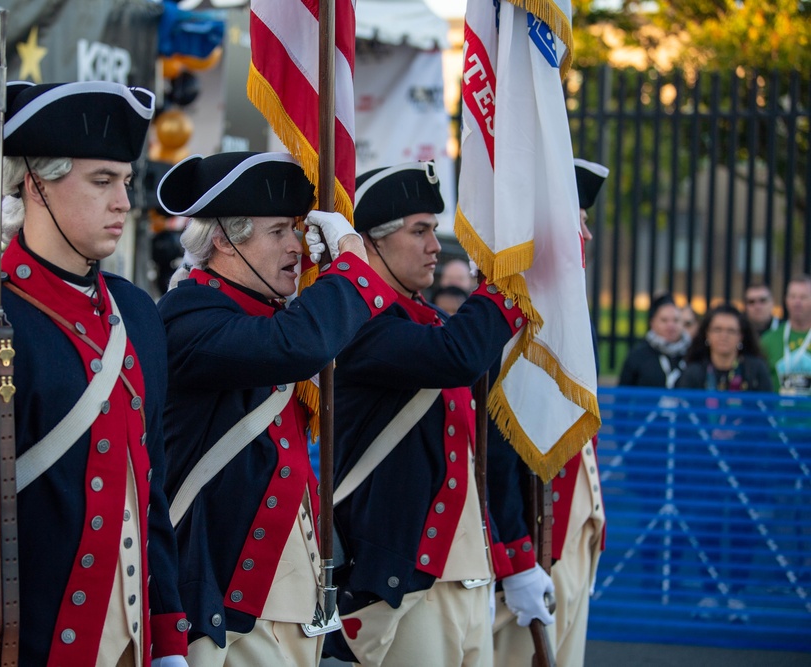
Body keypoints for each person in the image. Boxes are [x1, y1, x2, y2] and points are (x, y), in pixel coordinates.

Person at [0, 80, 189, 666]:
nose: (122, 204)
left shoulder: (135, 314)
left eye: (126, 182)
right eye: (102, 181)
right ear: (35, 184)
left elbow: (147, 490)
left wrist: (167, 641)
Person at [156, 151, 396, 667]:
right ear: (223, 239)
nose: (297, 248)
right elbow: (298, 343)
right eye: (277, 232)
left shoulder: (258, 313)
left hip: (284, 597)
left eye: (296, 228)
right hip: (222, 602)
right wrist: (351, 260)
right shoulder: (188, 315)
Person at [325, 161, 528, 667]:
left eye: (433, 230)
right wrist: (510, 278)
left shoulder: (429, 319)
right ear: (371, 243)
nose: (435, 245)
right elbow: (456, 356)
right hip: (406, 580)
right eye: (419, 231)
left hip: (466, 570)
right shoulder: (360, 325)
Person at [490, 157, 609, 667]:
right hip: (538, 540)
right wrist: (517, 556)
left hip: (573, 532)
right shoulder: (522, 325)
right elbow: (498, 454)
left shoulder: (568, 316)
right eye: (575, 221)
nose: (585, 234)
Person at [676, 304, 771, 392]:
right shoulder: (693, 372)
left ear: (741, 336)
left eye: (731, 331)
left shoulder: (755, 369)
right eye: (717, 329)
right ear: (707, 334)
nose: (724, 336)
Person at [618, 293, 690, 389]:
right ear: (652, 323)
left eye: (676, 320)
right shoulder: (638, 356)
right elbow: (623, 396)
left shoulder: (693, 353)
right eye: (664, 320)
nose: (671, 326)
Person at [760, 274, 811, 395]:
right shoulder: (768, 340)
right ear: (786, 300)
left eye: (803, 297)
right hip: (778, 413)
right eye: (792, 297)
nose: (797, 302)